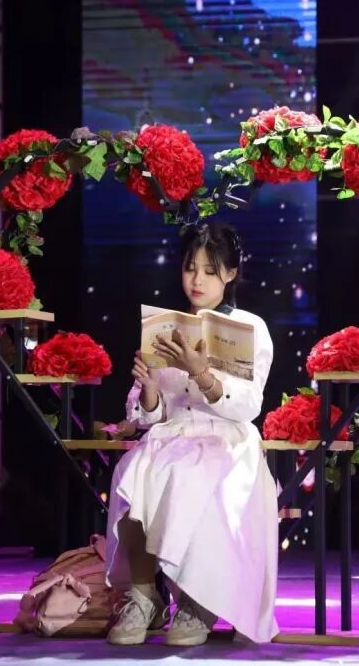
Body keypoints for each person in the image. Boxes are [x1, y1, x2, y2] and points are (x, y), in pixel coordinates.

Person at [104, 222, 279, 646]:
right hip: (173, 436)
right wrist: (148, 388)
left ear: (231, 274)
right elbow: (149, 414)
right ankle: (145, 596)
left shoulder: (250, 327)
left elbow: (249, 406)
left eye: (210, 271)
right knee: (132, 472)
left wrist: (202, 373)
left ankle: (199, 601)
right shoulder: (167, 326)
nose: (197, 280)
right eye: (190, 268)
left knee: (192, 478)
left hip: (226, 439)